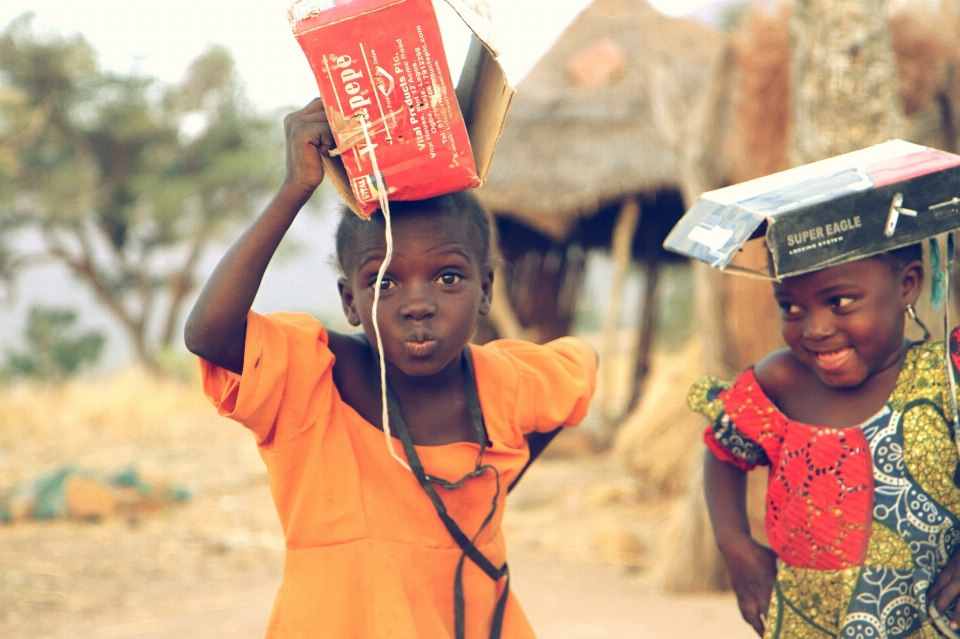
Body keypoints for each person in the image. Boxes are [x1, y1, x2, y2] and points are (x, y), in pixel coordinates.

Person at [183, 98, 597, 639]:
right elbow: (208, 336)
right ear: (351, 301)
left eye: (448, 278)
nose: (418, 303)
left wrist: (494, 485)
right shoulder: (314, 382)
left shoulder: (506, 383)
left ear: (485, 292)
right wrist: (294, 189)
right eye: (384, 281)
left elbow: (579, 371)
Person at [687, 244, 960, 638]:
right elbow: (724, 450)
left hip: (933, 619)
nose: (815, 328)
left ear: (907, 285)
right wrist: (734, 544)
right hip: (807, 622)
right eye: (792, 308)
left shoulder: (946, 379)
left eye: (840, 301)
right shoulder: (781, 383)